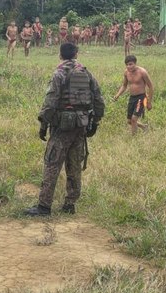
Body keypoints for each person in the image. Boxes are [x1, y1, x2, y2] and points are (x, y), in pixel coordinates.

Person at [24, 43, 105, 216]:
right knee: (74, 165)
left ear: (60, 55)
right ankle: (70, 204)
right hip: (81, 126)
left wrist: (43, 124)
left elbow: (50, 101)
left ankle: (44, 206)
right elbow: (99, 100)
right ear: (76, 54)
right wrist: (95, 123)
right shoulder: (86, 73)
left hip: (62, 127)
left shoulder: (59, 73)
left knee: (52, 164)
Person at [112, 55, 153, 135]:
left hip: (141, 98)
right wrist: (117, 95)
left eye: (130, 64)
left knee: (134, 119)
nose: (128, 67)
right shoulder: (126, 72)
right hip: (132, 98)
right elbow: (124, 85)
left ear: (135, 63)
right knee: (129, 121)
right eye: (127, 65)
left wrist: (149, 102)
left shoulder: (142, 72)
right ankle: (144, 126)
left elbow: (150, 86)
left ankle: (134, 138)